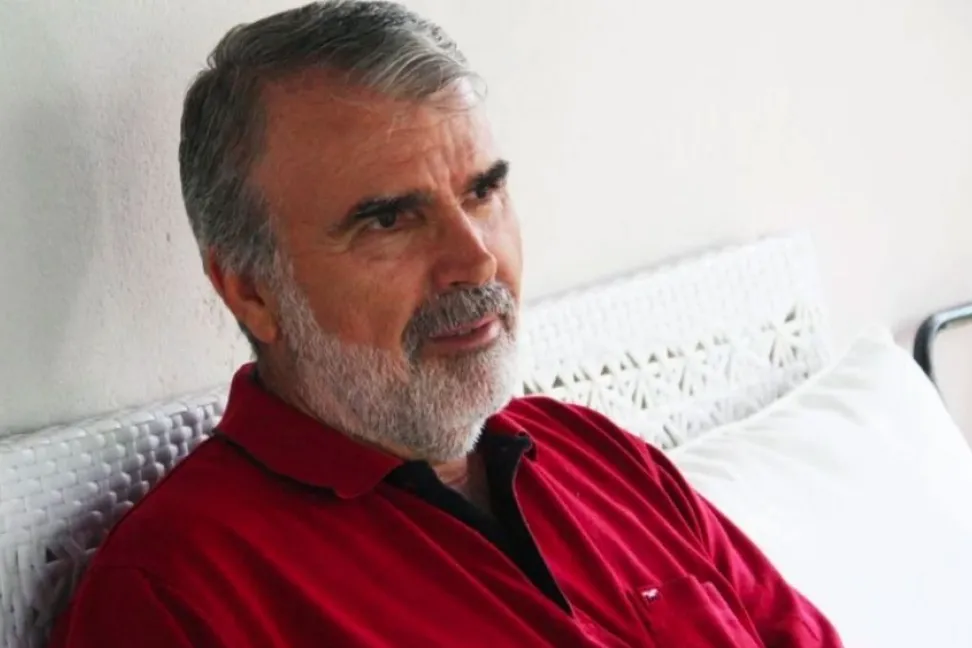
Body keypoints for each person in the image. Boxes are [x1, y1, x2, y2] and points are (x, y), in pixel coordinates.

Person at [50, 2, 843, 646]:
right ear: (251, 290)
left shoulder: (600, 454)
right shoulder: (180, 593)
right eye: (389, 220)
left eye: (482, 192)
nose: (475, 259)